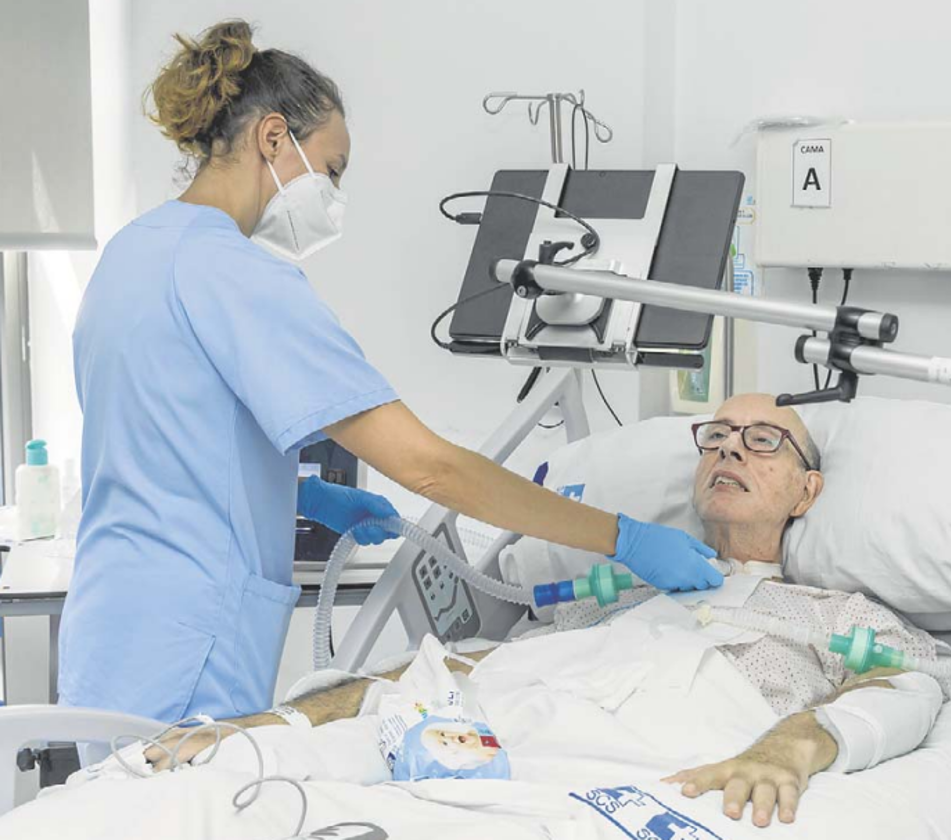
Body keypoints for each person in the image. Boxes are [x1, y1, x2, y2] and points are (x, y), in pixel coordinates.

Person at [59, 19, 721, 729]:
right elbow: (432, 469)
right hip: (188, 649)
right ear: (273, 138)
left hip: (109, 633)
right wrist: (625, 539)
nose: (335, 196)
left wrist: (308, 497)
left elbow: (161, 447)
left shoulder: (134, 252)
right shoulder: (239, 275)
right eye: (333, 169)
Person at [146, 394, 945, 827]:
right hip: (476, 754)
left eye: (765, 441)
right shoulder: (619, 593)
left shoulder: (836, 613)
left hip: (618, 778)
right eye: (718, 435)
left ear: (811, 489)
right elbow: (455, 668)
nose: (731, 449)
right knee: (183, 795)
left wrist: (784, 751)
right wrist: (272, 723)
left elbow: (910, 689)